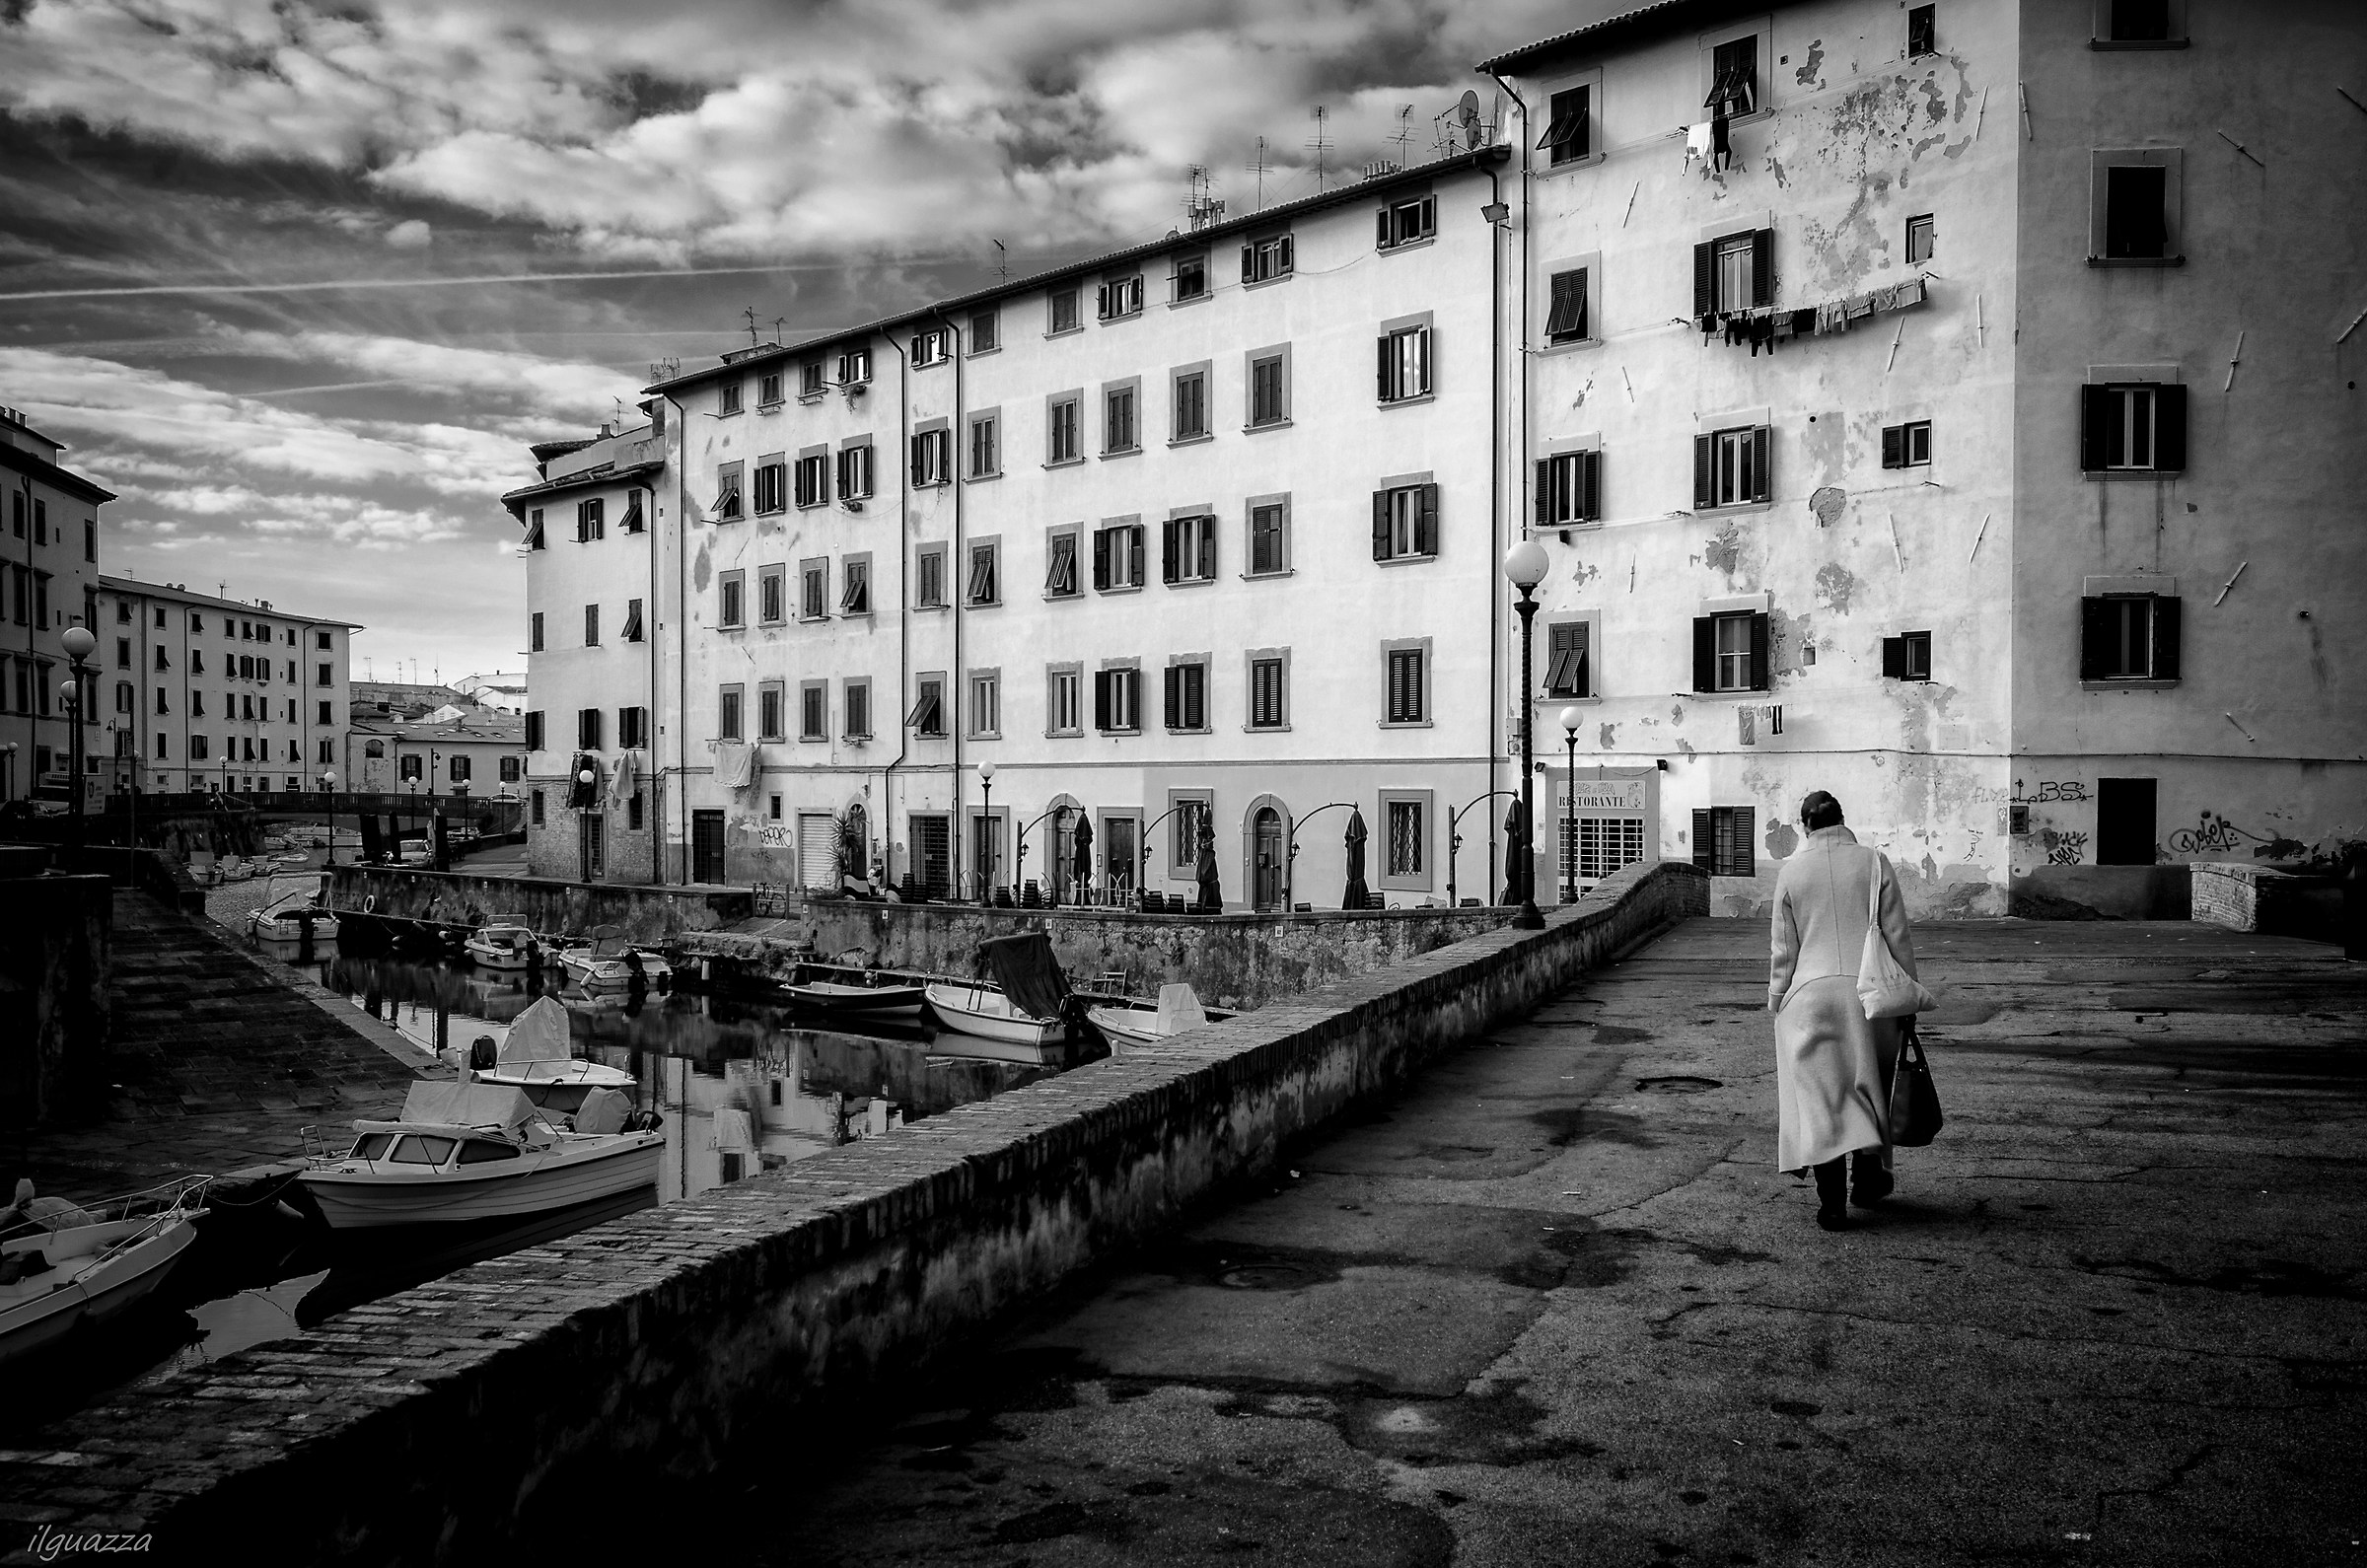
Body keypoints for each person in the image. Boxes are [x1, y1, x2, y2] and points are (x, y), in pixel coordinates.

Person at [1767, 790, 1921, 1231]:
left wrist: (1778, 999)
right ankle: (1869, 1182)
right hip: (1869, 996)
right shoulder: (1875, 863)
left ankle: (1831, 1202)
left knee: (1821, 1100)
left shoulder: (1792, 872)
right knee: (1870, 1088)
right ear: (1842, 818)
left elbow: (1784, 949)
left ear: (1804, 825)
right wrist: (1907, 995)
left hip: (1810, 998)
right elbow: (1897, 936)